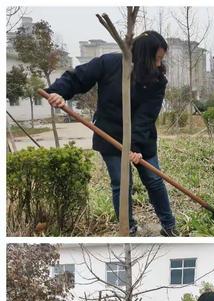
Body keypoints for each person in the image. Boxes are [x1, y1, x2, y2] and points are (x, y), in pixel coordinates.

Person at [45, 31, 176, 236]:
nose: (159, 64)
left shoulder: (157, 80)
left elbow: (145, 117)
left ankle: (169, 226)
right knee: (121, 183)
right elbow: (78, 77)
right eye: (157, 58)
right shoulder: (109, 63)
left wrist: (135, 148)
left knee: (154, 181)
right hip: (110, 136)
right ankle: (128, 229)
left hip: (142, 139)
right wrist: (58, 91)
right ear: (143, 55)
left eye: (162, 59)